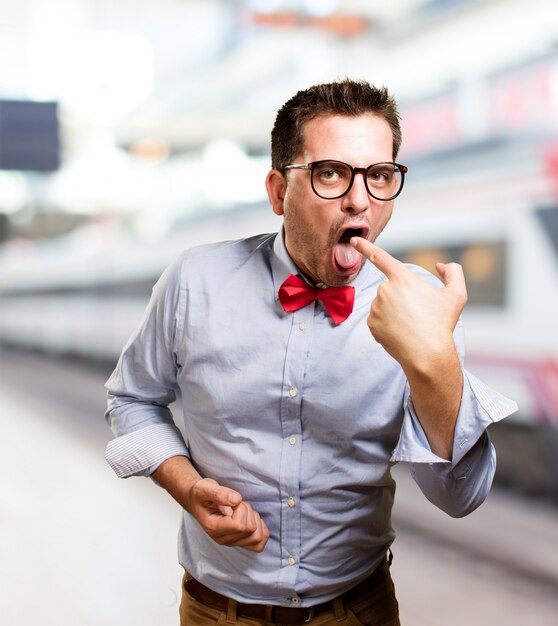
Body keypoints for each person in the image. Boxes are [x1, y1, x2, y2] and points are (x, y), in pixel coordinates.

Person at [105, 79, 517, 626]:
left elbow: (459, 497)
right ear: (278, 192)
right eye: (330, 173)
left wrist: (434, 359)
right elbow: (131, 400)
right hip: (215, 610)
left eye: (379, 176)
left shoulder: (423, 305)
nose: (358, 199)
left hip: (359, 609)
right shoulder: (193, 281)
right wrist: (187, 487)